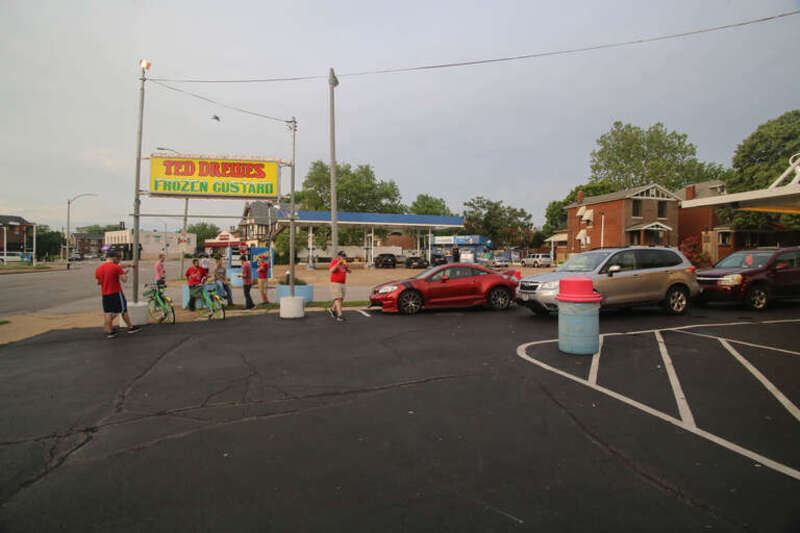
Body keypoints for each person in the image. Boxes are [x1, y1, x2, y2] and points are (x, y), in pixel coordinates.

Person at [95, 250, 141, 338]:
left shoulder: (99, 268)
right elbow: (124, 280)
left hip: (105, 293)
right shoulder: (116, 267)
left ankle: (109, 331)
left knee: (108, 312)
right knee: (123, 310)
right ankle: (131, 327)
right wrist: (124, 274)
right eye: (117, 258)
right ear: (114, 258)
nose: (118, 260)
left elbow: (99, 282)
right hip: (116, 292)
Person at [328, 251, 351, 322]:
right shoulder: (334, 261)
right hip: (335, 283)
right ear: (339, 256)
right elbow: (331, 270)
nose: (344, 257)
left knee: (341, 299)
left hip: (343, 283)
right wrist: (338, 263)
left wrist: (347, 267)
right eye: (342, 256)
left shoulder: (344, 263)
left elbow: (350, 271)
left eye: (344, 256)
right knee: (338, 298)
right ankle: (339, 315)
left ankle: (332, 309)